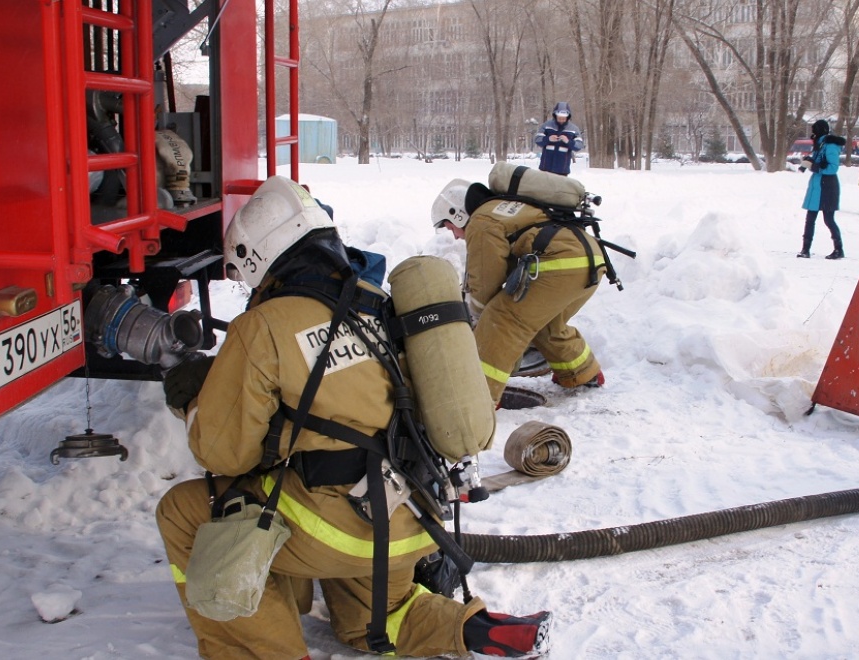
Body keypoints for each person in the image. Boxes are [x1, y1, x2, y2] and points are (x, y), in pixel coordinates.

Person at [155, 176, 551, 659]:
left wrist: (194, 401)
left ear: (258, 257)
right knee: (376, 621)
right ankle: (478, 629)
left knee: (184, 511)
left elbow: (223, 453)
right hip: (408, 516)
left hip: (336, 527)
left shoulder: (262, 326)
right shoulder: (374, 300)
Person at [431, 177, 605, 407]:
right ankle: (583, 373)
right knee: (545, 324)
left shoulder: (481, 220)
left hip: (559, 265)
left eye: (449, 225)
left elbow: (486, 276)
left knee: (502, 319)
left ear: (457, 214)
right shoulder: (506, 208)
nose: (453, 234)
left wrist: (478, 313)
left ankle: (475, 400)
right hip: (590, 260)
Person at [797, 119, 846, 259]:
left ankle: (838, 249)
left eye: (814, 130)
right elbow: (817, 161)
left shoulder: (829, 146)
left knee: (828, 219)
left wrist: (816, 167)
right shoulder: (820, 144)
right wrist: (809, 162)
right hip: (818, 185)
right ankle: (805, 249)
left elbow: (833, 168)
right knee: (810, 219)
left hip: (827, 187)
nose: (813, 134)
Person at [535, 102, 584, 176]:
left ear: (568, 117)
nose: (561, 120)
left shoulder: (574, 129)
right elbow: (537, 140)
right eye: (559, 118)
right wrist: (548, 139)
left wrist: (568, 141)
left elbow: (579, 146)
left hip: (562, 169)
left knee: (559, 187)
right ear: (555, 115)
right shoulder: (546, 125)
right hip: (545, 167)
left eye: (563, 118)